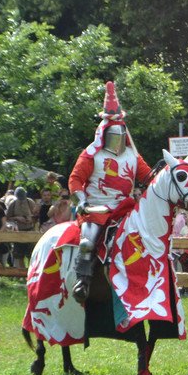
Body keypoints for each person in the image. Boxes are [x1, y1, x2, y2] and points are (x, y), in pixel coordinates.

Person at [67, 81, 152, 303]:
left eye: (122, 135)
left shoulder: (133, 156)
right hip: (97, 209)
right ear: (104, 134)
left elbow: (148, 178)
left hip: (125, 209)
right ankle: (82, 282)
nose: (119, 140)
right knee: (88, 242)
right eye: (115, 135)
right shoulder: (91, 155)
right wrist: (81, 201)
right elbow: (75, 180)